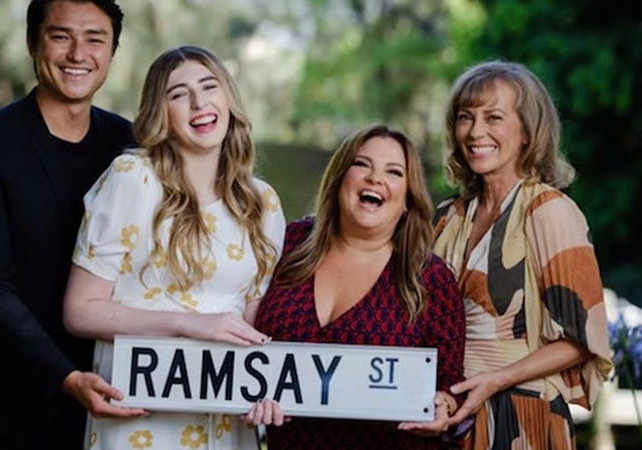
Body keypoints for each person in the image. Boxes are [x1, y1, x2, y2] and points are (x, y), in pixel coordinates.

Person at [62, 45, 287, 449]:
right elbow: (80, 311)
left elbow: (253, 328)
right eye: (179, 94)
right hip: (140, 422)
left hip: (225, 421)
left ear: (228, 99)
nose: (199, 102)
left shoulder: (262, 202)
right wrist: (191, 324)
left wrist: (267, 388)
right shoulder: (133, 178)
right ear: (159, 112)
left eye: (209, 86)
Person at [0, 1, 137, 448]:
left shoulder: (130, 143)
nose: (78, 53)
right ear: (33, 42)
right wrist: (66, 377)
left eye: (95, 39)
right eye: (60, 36)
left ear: (111, 51)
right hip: (6, 402)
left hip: (113, 389)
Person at [432, 60, 613, 449]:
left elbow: (583, 339)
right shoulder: (447, 217)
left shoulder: (550, 211)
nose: (476, 131)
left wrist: (497, 379)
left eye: (493, 117)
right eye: (466, 117)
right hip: (446, 412)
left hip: (522, 415)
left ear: (528, 131)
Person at [253, 123, 467, 449]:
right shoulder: (289, 243)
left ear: (409, 198)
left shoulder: (431, 279)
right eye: (362, 164)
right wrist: (250, 392)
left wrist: (443, 408)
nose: (375, 178)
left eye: (394, 172)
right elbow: (244, 337)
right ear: (340, 179)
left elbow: (450, 386)